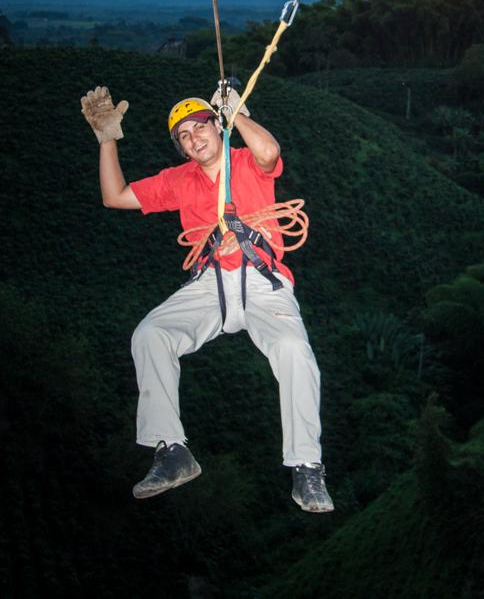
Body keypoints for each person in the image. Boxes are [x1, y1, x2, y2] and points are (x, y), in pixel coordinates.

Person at [80, 84, 333, 513]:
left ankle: (307, 468)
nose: (194, 138)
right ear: (180, 148)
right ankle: (172, 452)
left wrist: (239, 114)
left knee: (293, 349)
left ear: (219, 127)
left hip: (260, 278)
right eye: (184, 135)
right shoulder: (178, 181)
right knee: (151, 334)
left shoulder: (245, 161)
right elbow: (115, 196)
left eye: (201, 126)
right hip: (209, 280)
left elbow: (269, 152)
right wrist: (107, 139)